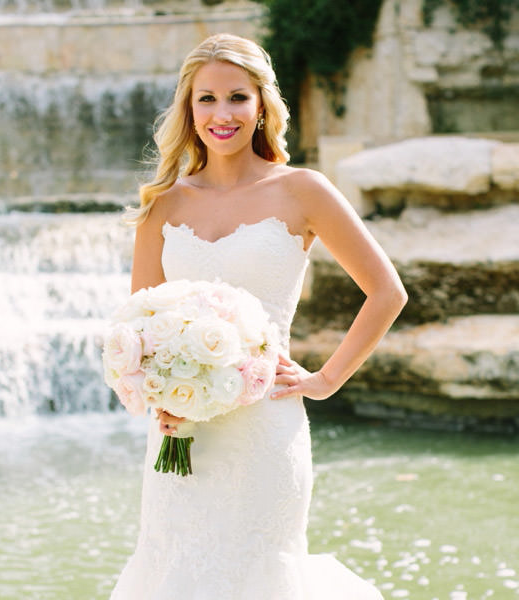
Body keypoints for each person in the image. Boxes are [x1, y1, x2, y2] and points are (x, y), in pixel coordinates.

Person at [110, 33, 407, 599]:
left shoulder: (303, 191)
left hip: (267, 430)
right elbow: (138, 323)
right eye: (206, 99)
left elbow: (387, 292)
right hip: (183, 434)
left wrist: (325, 380)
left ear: (262, 104)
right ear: (187, 106)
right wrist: (159, 398)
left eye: (237, 97)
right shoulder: (163, 203)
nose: (222, 114)